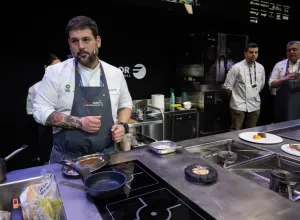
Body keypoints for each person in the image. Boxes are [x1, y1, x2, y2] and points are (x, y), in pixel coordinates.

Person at [33, 16, 133, 164]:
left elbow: (125, 104)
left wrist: (122, 125)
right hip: (66, 159)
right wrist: (80, 122)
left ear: (97, 41)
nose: (81, 46)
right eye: (75, 41)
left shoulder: (114, 73)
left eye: (86, 39)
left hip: (107, 156)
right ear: (69, 43)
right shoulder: (55, 72)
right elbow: (40, 110)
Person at [26, 54, 61, 164]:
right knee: (48, 163)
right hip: (46, 131)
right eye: (55, 66)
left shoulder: (68, 86)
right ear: (46, 68)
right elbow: (31, 112)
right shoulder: (35, 88)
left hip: (65, 130)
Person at [223, 43, 265, 130]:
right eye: (251, 52)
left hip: (254, 104)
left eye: (256, 52)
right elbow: (227, 87)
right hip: (238, 104)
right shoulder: (236, 68)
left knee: (251, 131)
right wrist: (235, 98)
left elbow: (261, 84)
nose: (254, 55)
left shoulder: (260, 67)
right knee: (235, 130)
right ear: (245, 53)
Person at [268, 41, 300, 123]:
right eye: (289, 50)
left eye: (294, 49)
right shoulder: (279, 65)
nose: (291, 52)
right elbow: (271, 84)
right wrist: (285, 78)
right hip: (283, 105)